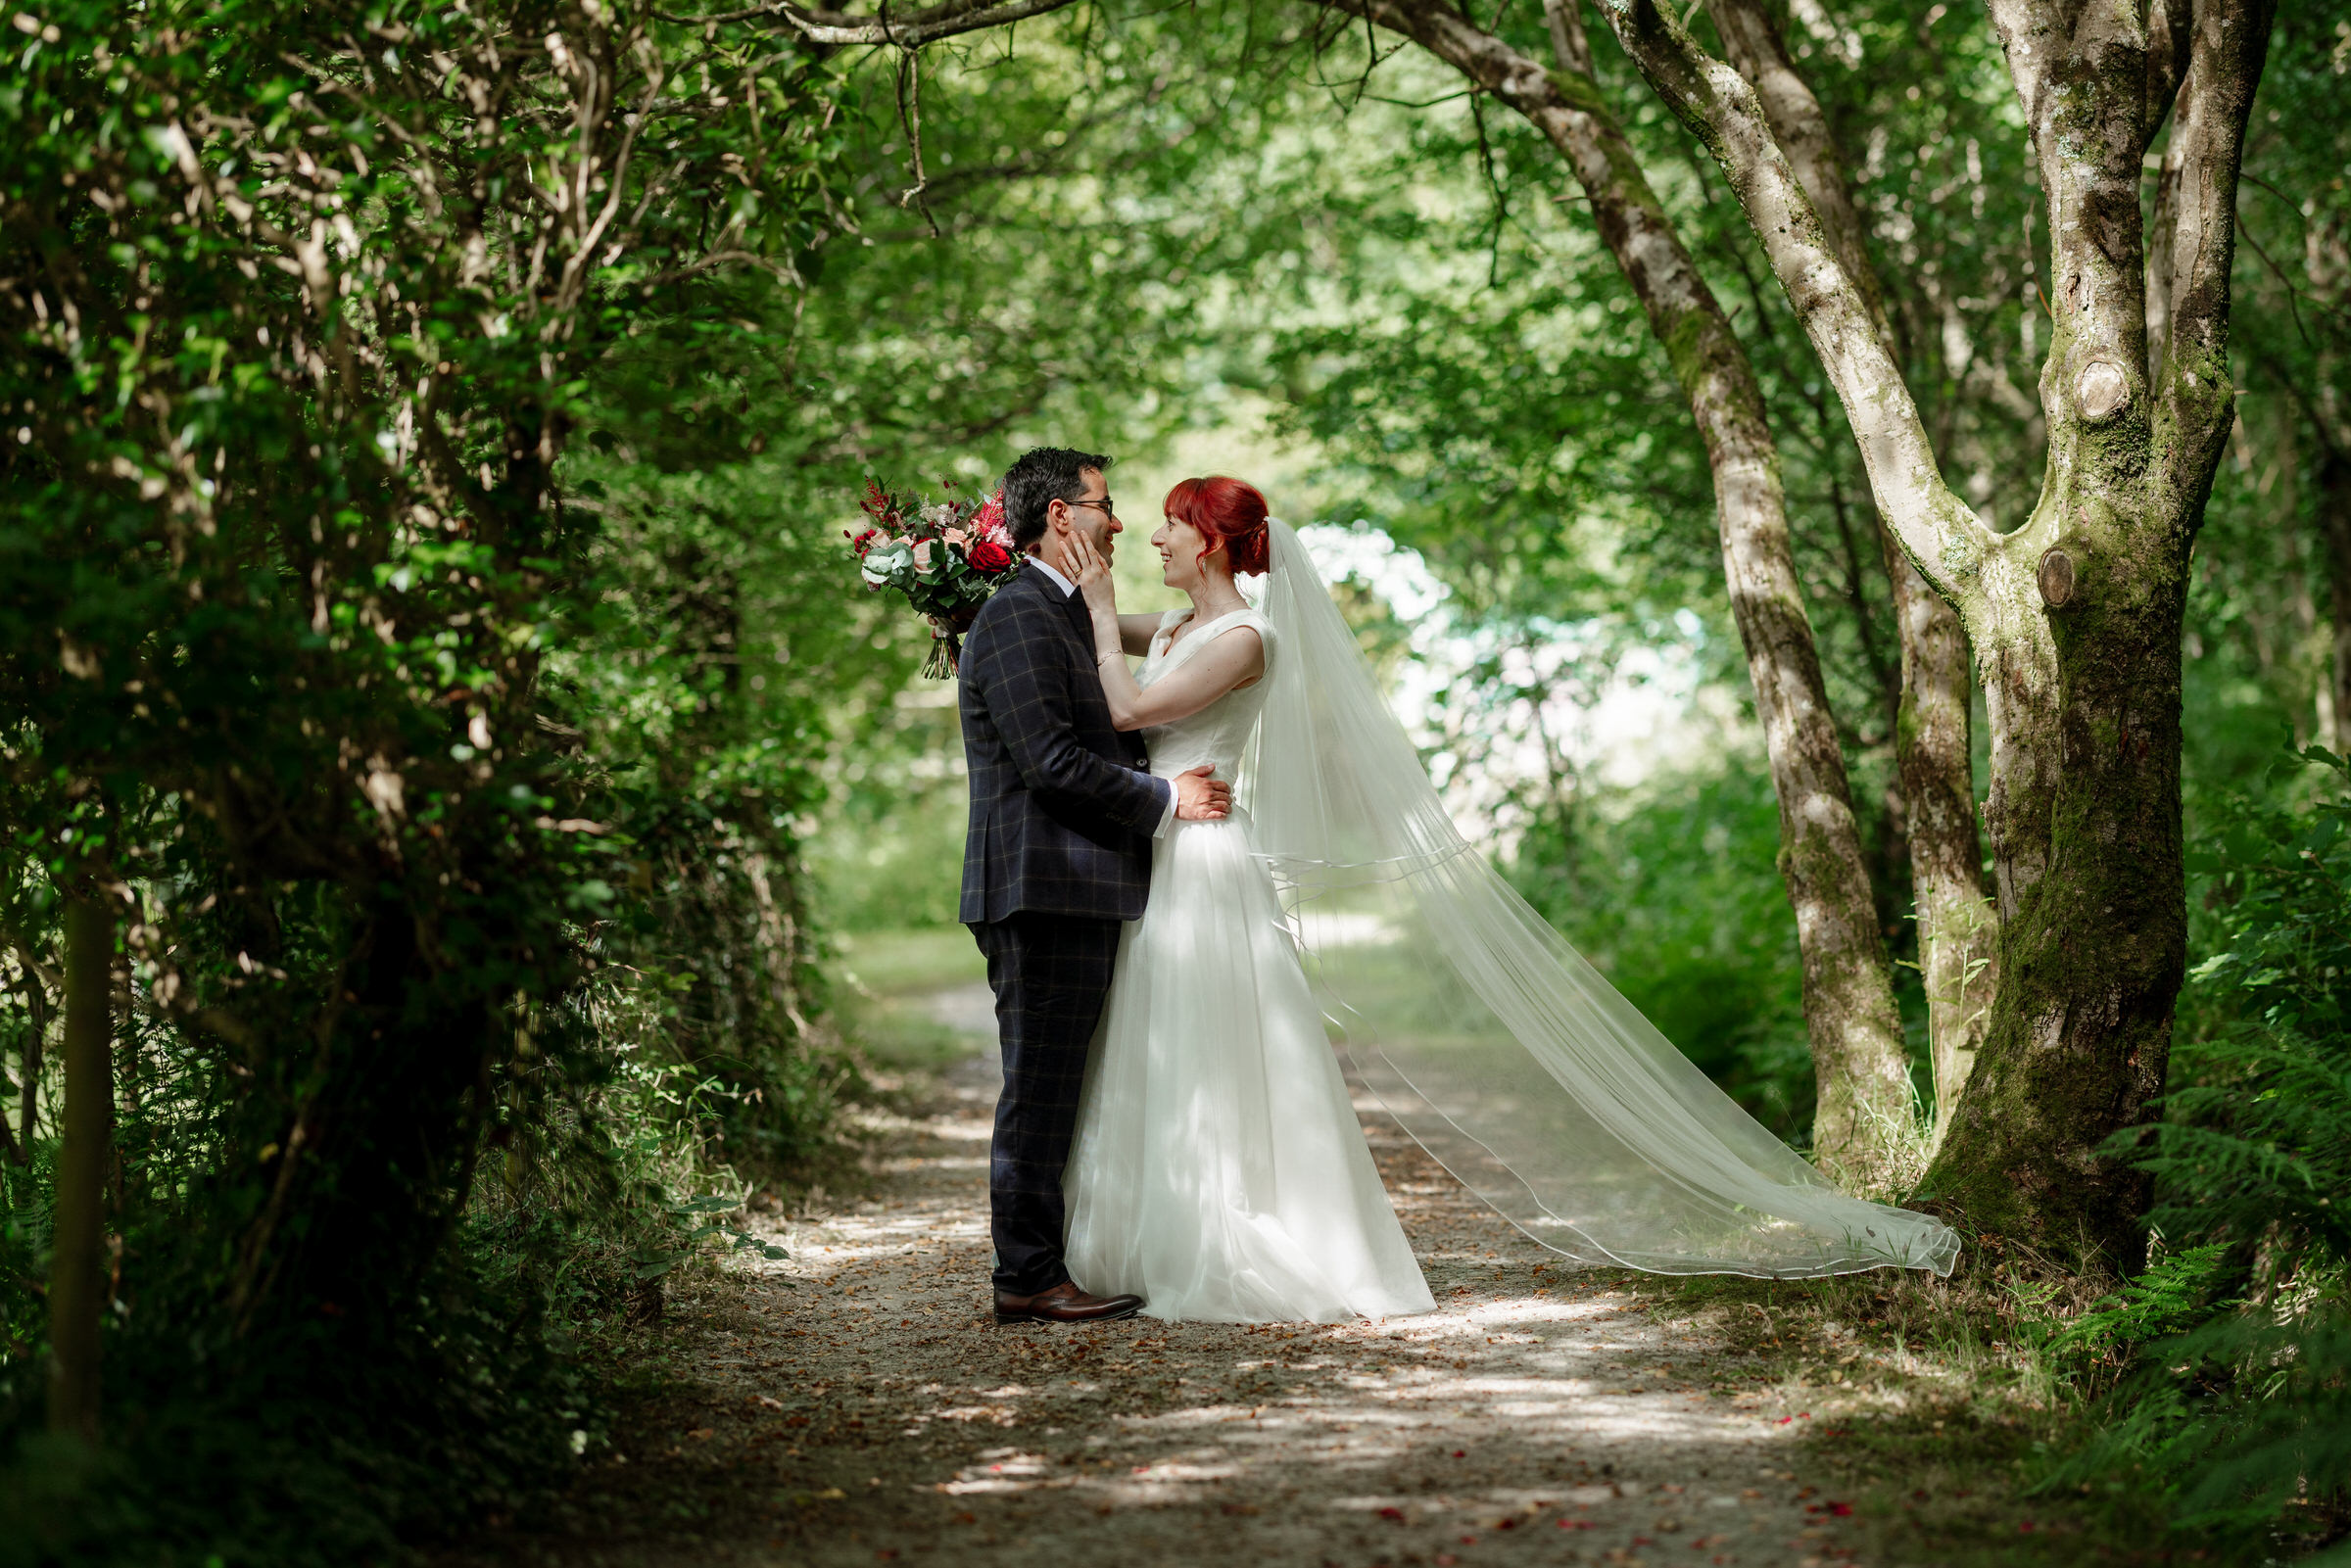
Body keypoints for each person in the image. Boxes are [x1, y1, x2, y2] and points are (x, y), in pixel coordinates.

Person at [1053, 475, 1961, 1324]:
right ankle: (1148, 1230)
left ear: (1209, 542)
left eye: (1171, 525)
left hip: (1208, 858)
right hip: (1164, 844)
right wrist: (984, 570)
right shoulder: (1176, 626)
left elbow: (1130, 710)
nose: (1155, 539)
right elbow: (1091, 628)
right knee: (1157, 1035)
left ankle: (1236, 1235)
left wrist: (1097, 610)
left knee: (1219, 1035)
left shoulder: (1246, 640)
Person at [955, 448, 1230, 1326]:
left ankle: (1046, 1260)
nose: (1118, 521)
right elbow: (1051, 763)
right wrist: (1165, 798)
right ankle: (1027, 1274)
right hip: (1043, 889)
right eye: (1105, 505)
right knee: (1039, 1086)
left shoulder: (1066, 613)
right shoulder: (1019, 618)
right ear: (1061, 517)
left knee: (1062, 1084)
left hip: (1077, 886)